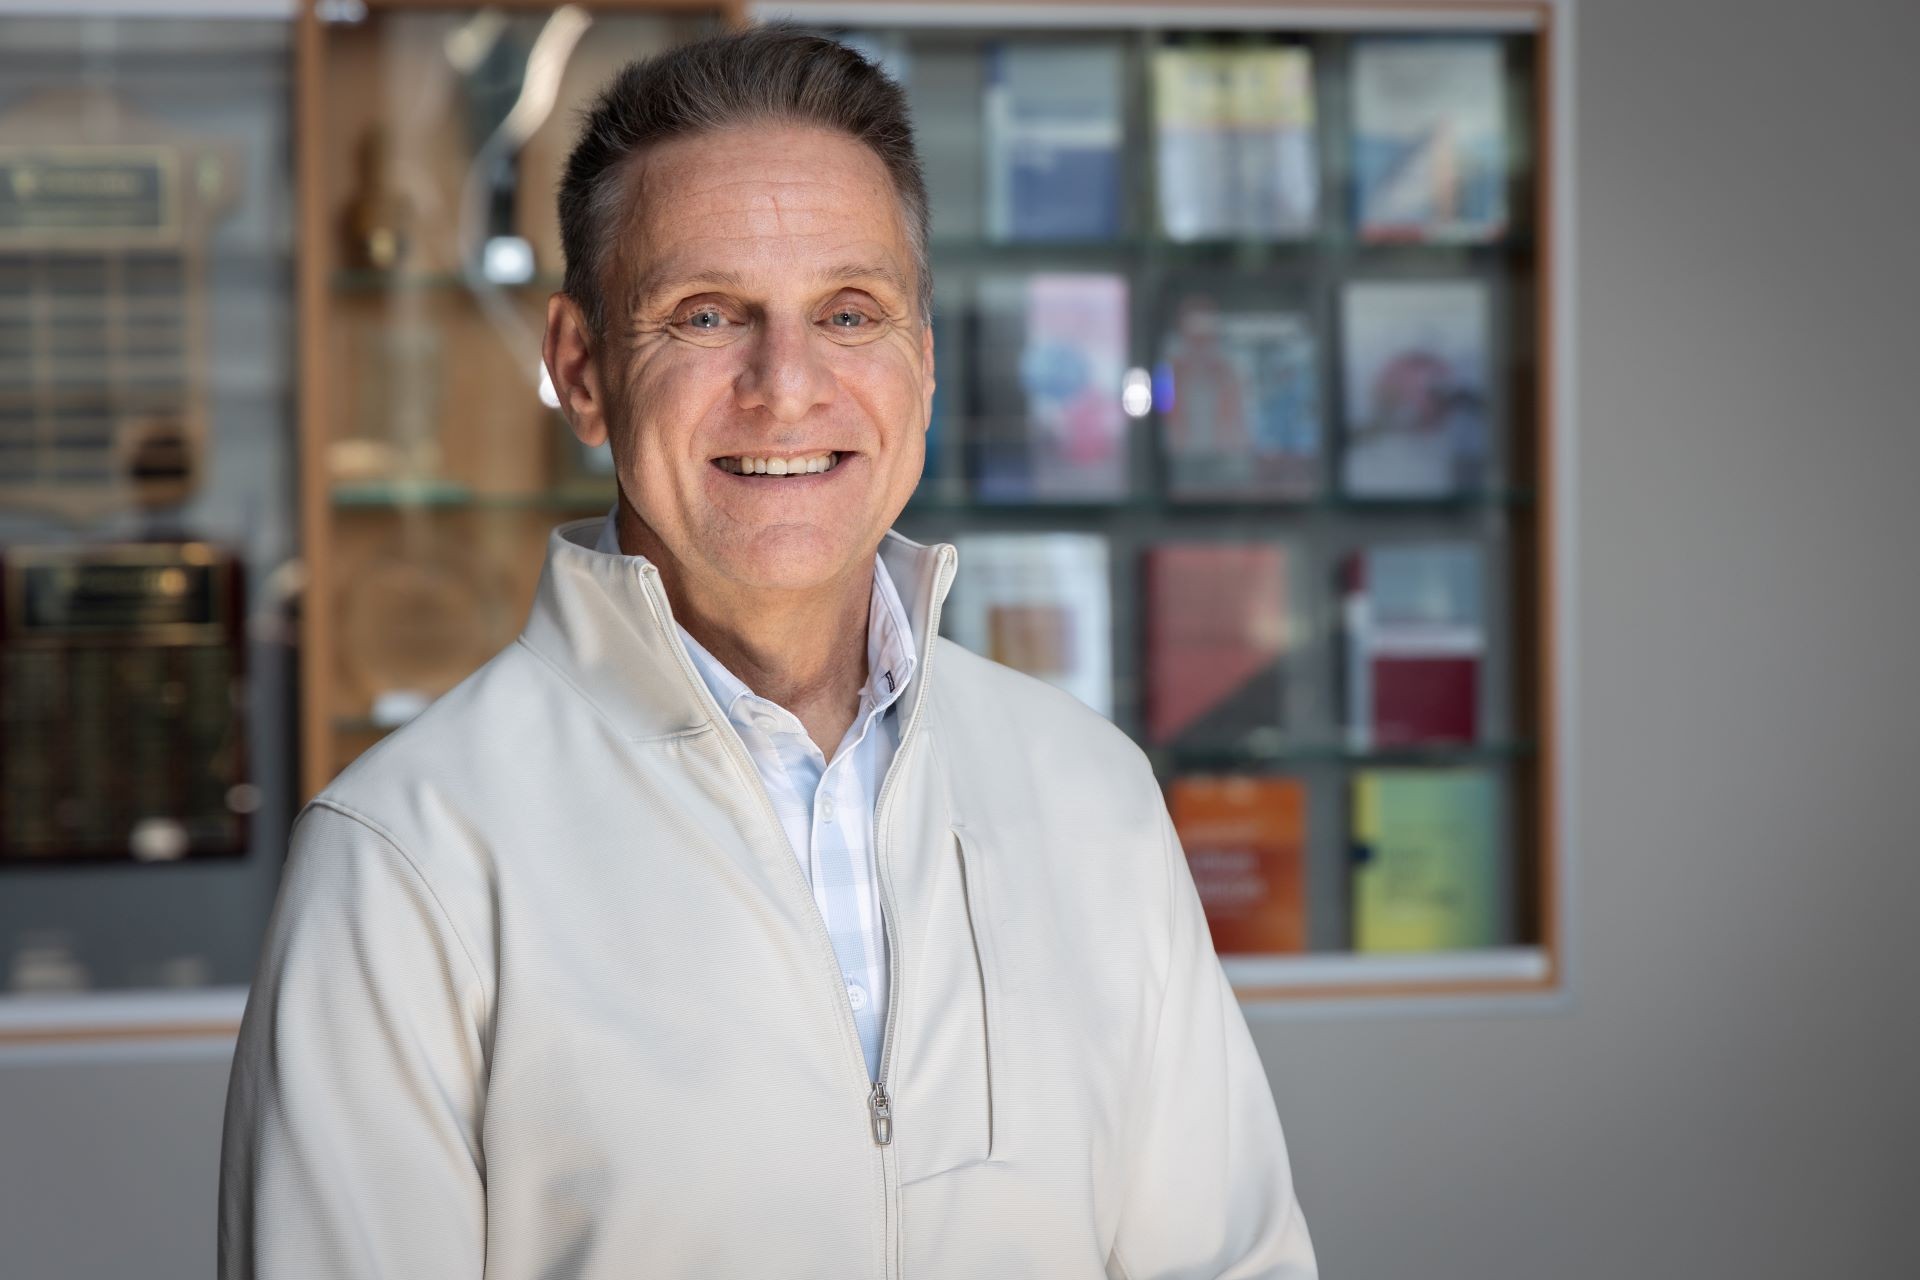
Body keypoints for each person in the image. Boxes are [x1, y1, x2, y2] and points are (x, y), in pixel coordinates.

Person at [218, 26, 1317, 1279]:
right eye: (704, 315)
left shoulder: (1091, 791)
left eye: (850, 312)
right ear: (581, 371)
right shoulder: (408, 857)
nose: (786, 385)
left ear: (926, 362)